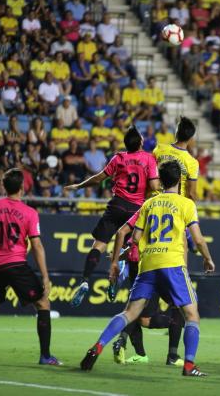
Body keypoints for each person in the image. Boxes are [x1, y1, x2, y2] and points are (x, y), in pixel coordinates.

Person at [80, 161, 215, 377]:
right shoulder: (186, 204)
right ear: (179, 180)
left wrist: (120, 258)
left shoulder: (148, 204)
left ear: (160, 181)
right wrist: (208, 258)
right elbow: (197, 239)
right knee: (192, 315)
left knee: (130, 312)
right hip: (172, 264)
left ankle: (98, 346)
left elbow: (134, 237)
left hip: (147, 264)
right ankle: (188, 364)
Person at [0, 168, 62, 366]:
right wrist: (45, 276)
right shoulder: (29, 213)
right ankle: (45, 356)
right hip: (16, 264)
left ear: (4, 186)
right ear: (22, 188)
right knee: (43, 303)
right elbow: (36, 245)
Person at [64, 126, 160, 307]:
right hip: (135, 210)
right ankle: (118, 282)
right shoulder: (149, 159)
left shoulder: (119, 158)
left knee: (98, 245)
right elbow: (154, 186)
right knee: (128, 251)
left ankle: (85, 280)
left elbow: (100, 178)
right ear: (140, 142)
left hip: (116, 205)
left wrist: (78, 186)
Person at [108, 211, 185, 367]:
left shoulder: (150, 214)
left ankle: (171, 352)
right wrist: (118, 258)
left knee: (140, 313)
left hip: (153, 267)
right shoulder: (149, 214)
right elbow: (131, 243)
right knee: (139, 313)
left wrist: (117, 259)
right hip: (147, 267)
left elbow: (131, 239)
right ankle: (142, 353)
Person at [153, 117, 199, 200]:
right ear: (191, 138)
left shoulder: (159, 149)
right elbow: (191, 194)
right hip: (176, 205)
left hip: (156, 201)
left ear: (176, 133)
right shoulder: (192, 162)